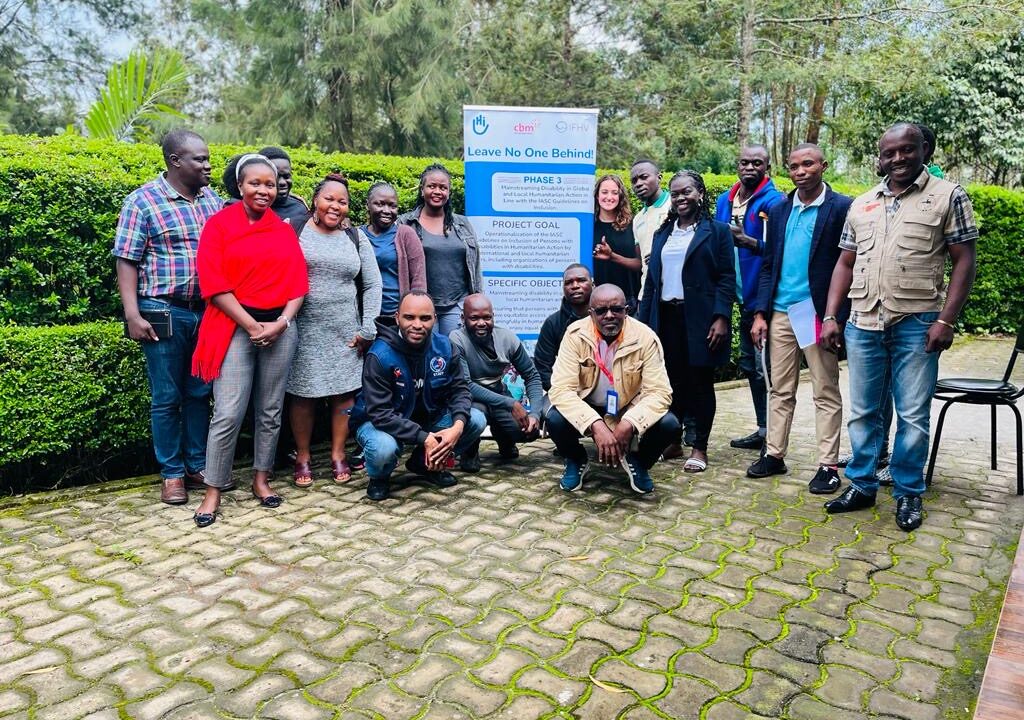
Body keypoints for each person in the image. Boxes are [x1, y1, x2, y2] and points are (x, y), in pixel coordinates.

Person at [820, 123, 978, 532]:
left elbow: (964, 260)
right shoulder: (863, 203)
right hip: (863, 321)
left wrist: (946, 319)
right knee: (864, 412)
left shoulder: (948, 196)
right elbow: (845, 263)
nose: (897, 159)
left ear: (924, 148)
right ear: (880, 156)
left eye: (906, 150)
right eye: (889, 153)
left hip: (918, 321)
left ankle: (908, 492)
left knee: (911, 413)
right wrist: (832, 316)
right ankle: (862, 484)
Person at [190, 154, 309, 527]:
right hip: (234, 325)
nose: (263, 190)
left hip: (280, 327)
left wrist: (282, 323)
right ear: (240, 186)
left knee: (270, 410)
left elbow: (298, 283)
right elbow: (214, 285)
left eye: (270, 184)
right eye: (255, 183)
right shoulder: (219, 225)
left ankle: (261, 478)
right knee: (228, 410)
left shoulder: (284, 230)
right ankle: (214, 489)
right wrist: (253, 325)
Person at [113, 128, 222, 505]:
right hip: (162, 310)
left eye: (208, 158)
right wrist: (132, 313)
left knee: (199, 392)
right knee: (166, 396)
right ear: (176, 161)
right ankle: (172, 474)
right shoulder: (142, 201)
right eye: (200, 159)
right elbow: (126, 259)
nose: (208, 165)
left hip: (205, 312)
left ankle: (196, 465)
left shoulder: (212, 199)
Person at [745, 144, 852, 494]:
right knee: (780, 389)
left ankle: (828, 465)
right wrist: (760, 312)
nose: (800, 171)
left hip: (817, 314)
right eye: (793, 166)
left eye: (808, 164)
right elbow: (768, 263)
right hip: (779, 312)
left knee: (825, 389)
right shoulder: (779, 210)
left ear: (823, 165)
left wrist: (834, 315)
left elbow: (847, 265)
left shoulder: (841, 208)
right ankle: (774, 455)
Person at [287, 174, 382, 487]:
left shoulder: (354, 235)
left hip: (346, 329)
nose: (336, 206)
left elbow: (372, 282)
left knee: (344, 394)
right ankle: (303, 456)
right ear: (316, 199)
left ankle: (338, 453)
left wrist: (368, 326)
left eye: (342, 202)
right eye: (329, 199)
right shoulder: (294, 229)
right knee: (303, 395)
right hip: (302, 328)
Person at [638, 171, 735, 473]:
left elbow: (726, 279)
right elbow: (652, 282)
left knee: (700, 384)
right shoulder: (663, 233)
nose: (681, 198)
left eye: (687, 192)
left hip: (701, 319)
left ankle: (700, 448)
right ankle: (673, 440)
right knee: (669, 383)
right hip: (666, 318)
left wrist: (721, 318)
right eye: (676, 193)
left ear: (700, 194)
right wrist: (643, 325)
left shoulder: (717, 231)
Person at [348, 291, 487, 501]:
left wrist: (457, 426)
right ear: (397, 318)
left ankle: (424, 464)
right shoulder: (379, 355)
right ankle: (379, 477)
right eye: (409, 317)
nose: (417, 324)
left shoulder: (446, 348)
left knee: (475, 420)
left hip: (428, 418)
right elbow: (379, 413)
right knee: (383, 448)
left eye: (425, 318)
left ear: (434, 319)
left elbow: (460, 389)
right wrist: (425, 438)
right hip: (380, 422)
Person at [547, 283, 679, 494]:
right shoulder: (574, 335)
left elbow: (660, 393)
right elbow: (561, 390)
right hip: (588, 405)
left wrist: (629, 423)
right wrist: (596, 425)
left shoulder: (645, 337)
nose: (609, 315)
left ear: (626, 311)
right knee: (554, 419)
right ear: (591, 314)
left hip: (627, 408)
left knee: (670, 424)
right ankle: (575, 460)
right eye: (601, 311)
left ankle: (639, 462)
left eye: (616, 309)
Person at [714, 145, 785, 451]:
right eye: (745, 162)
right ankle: (762, 429)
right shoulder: (724, 201)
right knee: (749, 365)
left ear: (767, 166)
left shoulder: (776, 201)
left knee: (765, 368)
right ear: (737, 164)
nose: (750, 167)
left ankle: (775, 435)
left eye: (757, 163)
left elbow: (781, 252)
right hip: (737, 298)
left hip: (762, 299)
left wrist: (749, 242)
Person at [450, 294, 544, 471]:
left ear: (493, 317)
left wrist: (536, 414)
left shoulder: (507, 338)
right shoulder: (456, 339)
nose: (481, 323)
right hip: (471, 398)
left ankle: (504, 438)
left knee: (527, 432)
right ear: (463, 318)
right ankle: (470, 451)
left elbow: (532, 375)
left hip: (498, 392)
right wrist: (511, 404)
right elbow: (466, 385)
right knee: (476, 416)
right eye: (474, 318)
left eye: (487, 317)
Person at [399, 163, 483, 337]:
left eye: (443, 187)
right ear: (422, 190)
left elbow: (475, 266)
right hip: (420, 307)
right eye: (432, 186)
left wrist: (477, 298)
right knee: (424, 356)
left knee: (455, 353)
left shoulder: (462, 224)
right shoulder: (405, 223)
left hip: (457, 304)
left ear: (449, 192)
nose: (437, 191)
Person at [361, 181, 427, 318]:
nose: (386, 211)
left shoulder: (406, 234)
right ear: (367, 204)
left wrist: (413, 314)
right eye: (380, 204)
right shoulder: (357, 235)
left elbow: (418, 280)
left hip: (397, 315)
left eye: (392, 206)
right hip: (364, 315)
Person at [534, 264, 594, 392]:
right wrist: (563, 392)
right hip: (565, 392)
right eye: (569, 282)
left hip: (603, 392)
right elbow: (542, 369)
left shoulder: (607, 318)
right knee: (551, 412)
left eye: (581, 280)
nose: (575, 286)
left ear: (593, 284)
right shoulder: (553, 323)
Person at [592, 175, 641, 312]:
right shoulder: (588, 226)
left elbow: (639, 264)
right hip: (596, 300)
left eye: (614, 193)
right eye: (604, 192)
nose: (609, 197)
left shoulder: (633, 225)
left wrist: (612, 256)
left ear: (620, 196)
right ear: (597, 195)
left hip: (628, 299)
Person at [629, 159, 670, 287]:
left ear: (659, 177)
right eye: (634, 181)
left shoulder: (675, 206)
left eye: (644, 177)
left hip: (675, 293)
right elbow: (640, 262)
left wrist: (662, 254)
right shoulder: (638, 219)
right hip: (647, 292)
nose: (638, 184)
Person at [258, 146, 312, 224]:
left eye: (287, 176)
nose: (282, 182)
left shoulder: (300, 209)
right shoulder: (247, 209)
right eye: (276, 177)